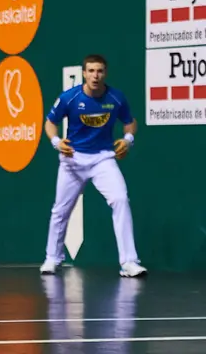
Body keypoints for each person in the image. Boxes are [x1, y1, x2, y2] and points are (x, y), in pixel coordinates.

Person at [40, 54, 147, 278]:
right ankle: (52, 258)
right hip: (73, 160)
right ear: (84, 73)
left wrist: (128, 140)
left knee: (120, 200)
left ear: (105, 73)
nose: (95, 76)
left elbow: (130, 123)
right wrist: (56, 142)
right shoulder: (70, 97)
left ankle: (129, 262)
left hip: (102, 159)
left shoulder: (116, 97)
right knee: (60, 210)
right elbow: (50, 122)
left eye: (99, 71)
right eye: (91, 71)